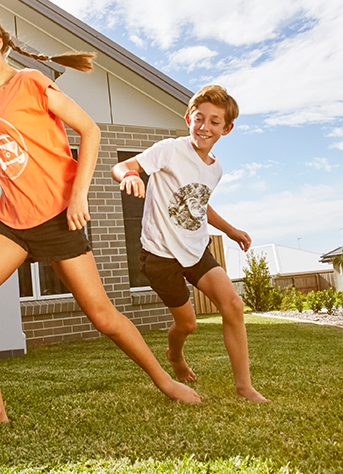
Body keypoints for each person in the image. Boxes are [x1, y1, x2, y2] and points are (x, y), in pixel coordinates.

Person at [0, 6, 201, 432]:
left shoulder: (30, 83)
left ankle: (165, 381)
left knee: (103, 318)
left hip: (57, 219)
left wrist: (78, 195)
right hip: (12, 223)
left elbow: (90, 130)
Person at [110, 85, 269, 403]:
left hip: (196, 250)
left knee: (234, 305)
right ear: (188, 118)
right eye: (199, 119)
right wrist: (128, 176)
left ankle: (244, 387)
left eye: (214, 122)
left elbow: (199, 204)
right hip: (160, 255)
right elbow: (124, 167)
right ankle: (175, 355)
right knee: (187, 323)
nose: (205, 127)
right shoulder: (169, 150)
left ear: (227, 128)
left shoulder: (216, 168)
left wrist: (231, 230)